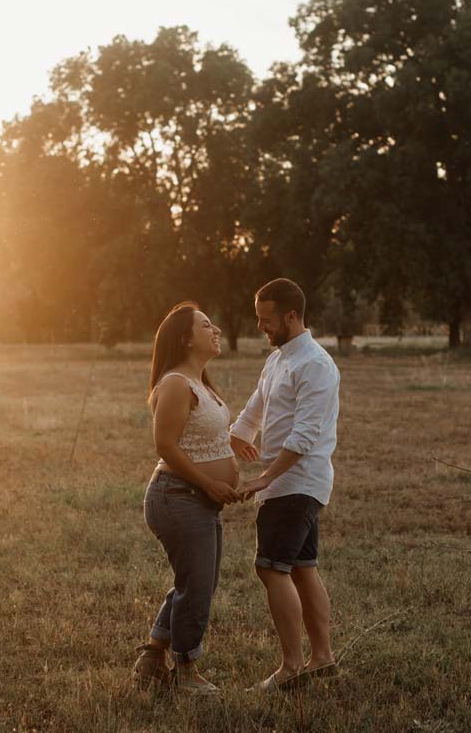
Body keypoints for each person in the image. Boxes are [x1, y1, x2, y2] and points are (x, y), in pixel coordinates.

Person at [230, 278, 341, 690]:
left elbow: (305, 435)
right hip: (285, 483)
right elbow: (252, 412)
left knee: (270, 568)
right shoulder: (277, 361)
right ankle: (323, 659)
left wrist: (263, 479)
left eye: (267, 320)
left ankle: (292, 668)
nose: (261, 327)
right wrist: (234, 438)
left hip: (298, 482)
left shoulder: (316, 364)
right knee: (302, 568)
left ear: (291, 316)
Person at [132, 302, 242, 695]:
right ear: (185, 338)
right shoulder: (176, 382)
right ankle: (186, 671)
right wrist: (209, 483)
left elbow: (206, 440)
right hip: (177, 496)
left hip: (199, 499)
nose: (215, 330)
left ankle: (152, 656)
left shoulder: (201, 384)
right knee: (196, 585)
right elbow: (165, 445)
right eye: (206, 325)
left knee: (199, 582)